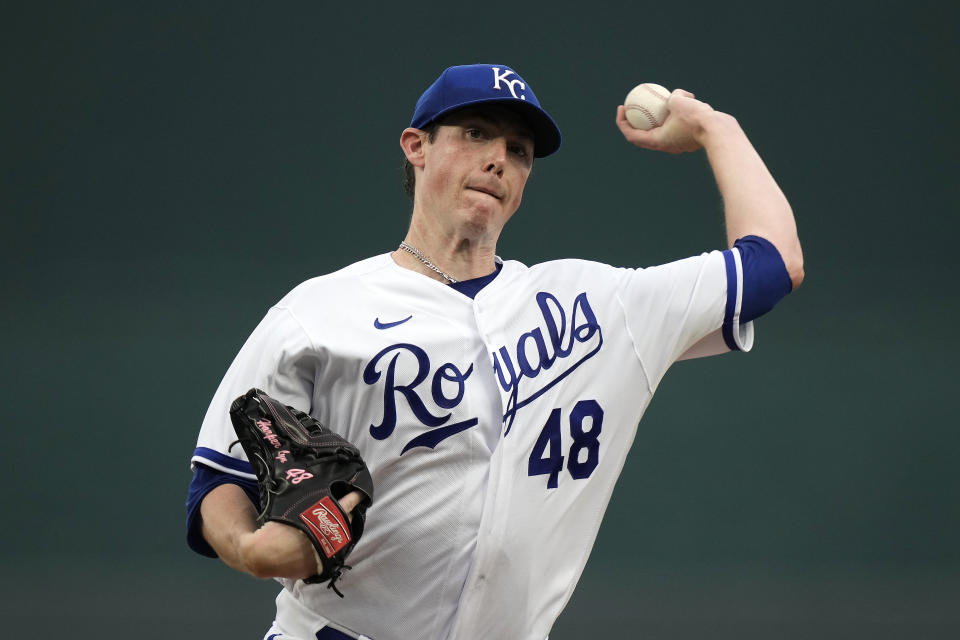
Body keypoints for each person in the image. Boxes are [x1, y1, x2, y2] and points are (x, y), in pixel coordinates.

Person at [185, 63, 803, 640]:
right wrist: (244, 547)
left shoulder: (599, 305)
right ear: (416, 146)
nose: (497, 160)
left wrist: (718, 129)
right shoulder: (317, 312)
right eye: (475, 133)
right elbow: (219, 474)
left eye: (518, 151)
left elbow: (774, 263)